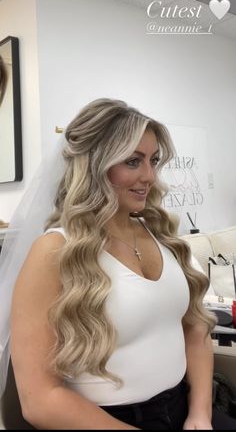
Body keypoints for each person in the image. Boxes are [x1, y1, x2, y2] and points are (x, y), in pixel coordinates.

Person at [1, 98, 235, 430]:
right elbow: (40, 400)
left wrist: (200, 414)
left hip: (185, 410)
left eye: (153, 160)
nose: (150, 176)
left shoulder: (163, 236)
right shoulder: (53, 252)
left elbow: (196, 329)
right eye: (132, 161)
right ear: (94, 164)